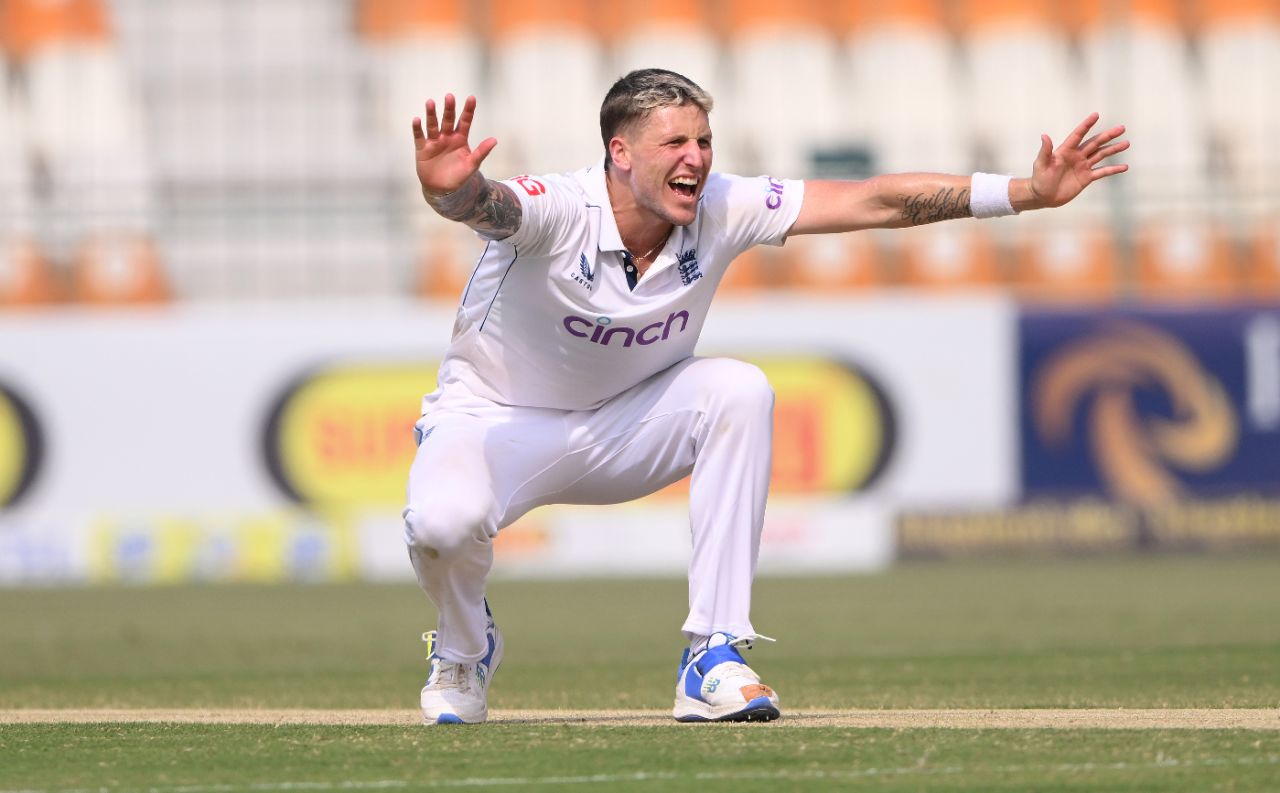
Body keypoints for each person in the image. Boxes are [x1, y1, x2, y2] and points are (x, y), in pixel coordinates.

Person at [404, 68, 1128, 725]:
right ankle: (465, 650)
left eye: (703, 141)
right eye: (674, 143)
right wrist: (451, 192)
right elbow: (490, 206)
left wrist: (1025, 193)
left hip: (627, 427)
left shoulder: (723, 204)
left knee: (737, 389)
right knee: (441, 524)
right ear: (619, 153)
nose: (696, 158)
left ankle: (712, 653)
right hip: (493, 423)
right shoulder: (560, 207)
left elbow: (873, 201)